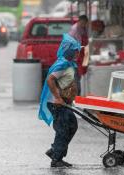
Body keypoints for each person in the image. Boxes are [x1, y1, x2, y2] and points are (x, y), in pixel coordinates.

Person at [38, 33, 81, 168]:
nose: (78, 53)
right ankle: (56, 159)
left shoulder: (68, 63)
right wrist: (57, 97)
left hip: (63, 102)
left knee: (72, 125)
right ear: (69, 51)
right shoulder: (62, 64)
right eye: (76, 51)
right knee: (63, 129)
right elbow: (50, 79)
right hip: (57, 103)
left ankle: (55, 150)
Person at [68, 15, 89, 95]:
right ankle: (76, 95)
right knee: (76, 76)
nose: (84, 24)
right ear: (79, 21)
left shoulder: (83, 28)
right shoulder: (75, 29)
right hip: (74, 55)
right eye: (83, 23)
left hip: (81, 55)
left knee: (79, 76)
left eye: (85, 23)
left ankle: (78, 94)